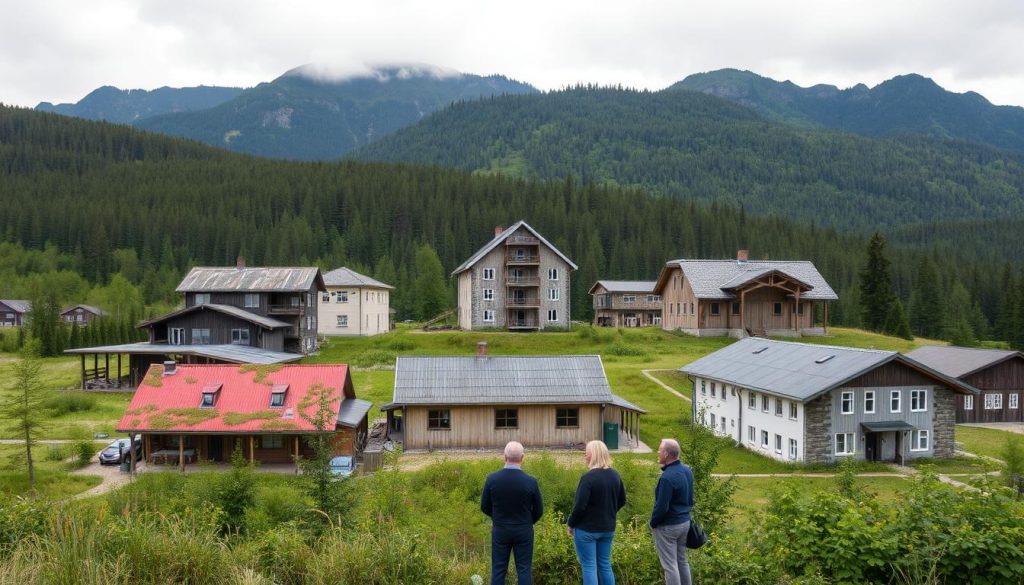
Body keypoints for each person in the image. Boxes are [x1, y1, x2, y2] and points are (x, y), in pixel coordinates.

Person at [481, 441, 544, 585]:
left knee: (498, 569)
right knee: (524, 569)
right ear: (522, 458)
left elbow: (484, 506)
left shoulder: (492, 479)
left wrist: (497, 518)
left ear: (504, 457)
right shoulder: (531, 481)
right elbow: (539, 510)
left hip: (500, 529)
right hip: (523, 530)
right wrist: (527, 522)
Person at [567, 440, 627, 585]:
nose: (585, 455)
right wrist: (609, 512)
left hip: (586, 530)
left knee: (589, 566)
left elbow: (580, 506)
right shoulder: (615, 475)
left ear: (593, 454)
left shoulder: (588, 478)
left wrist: (571, 523)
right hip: (607, 528)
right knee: (605, 565)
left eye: (587, 452)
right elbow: (622, 500)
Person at [650, 438, 695, 585]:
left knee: (670, 565)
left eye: (659, 450)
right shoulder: (687, 470)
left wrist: (653, 523)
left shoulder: (667, 478)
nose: (658, 453)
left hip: (668, 526)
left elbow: (661, 507)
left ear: (666, 454)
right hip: (685, 523)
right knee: (682, 561)